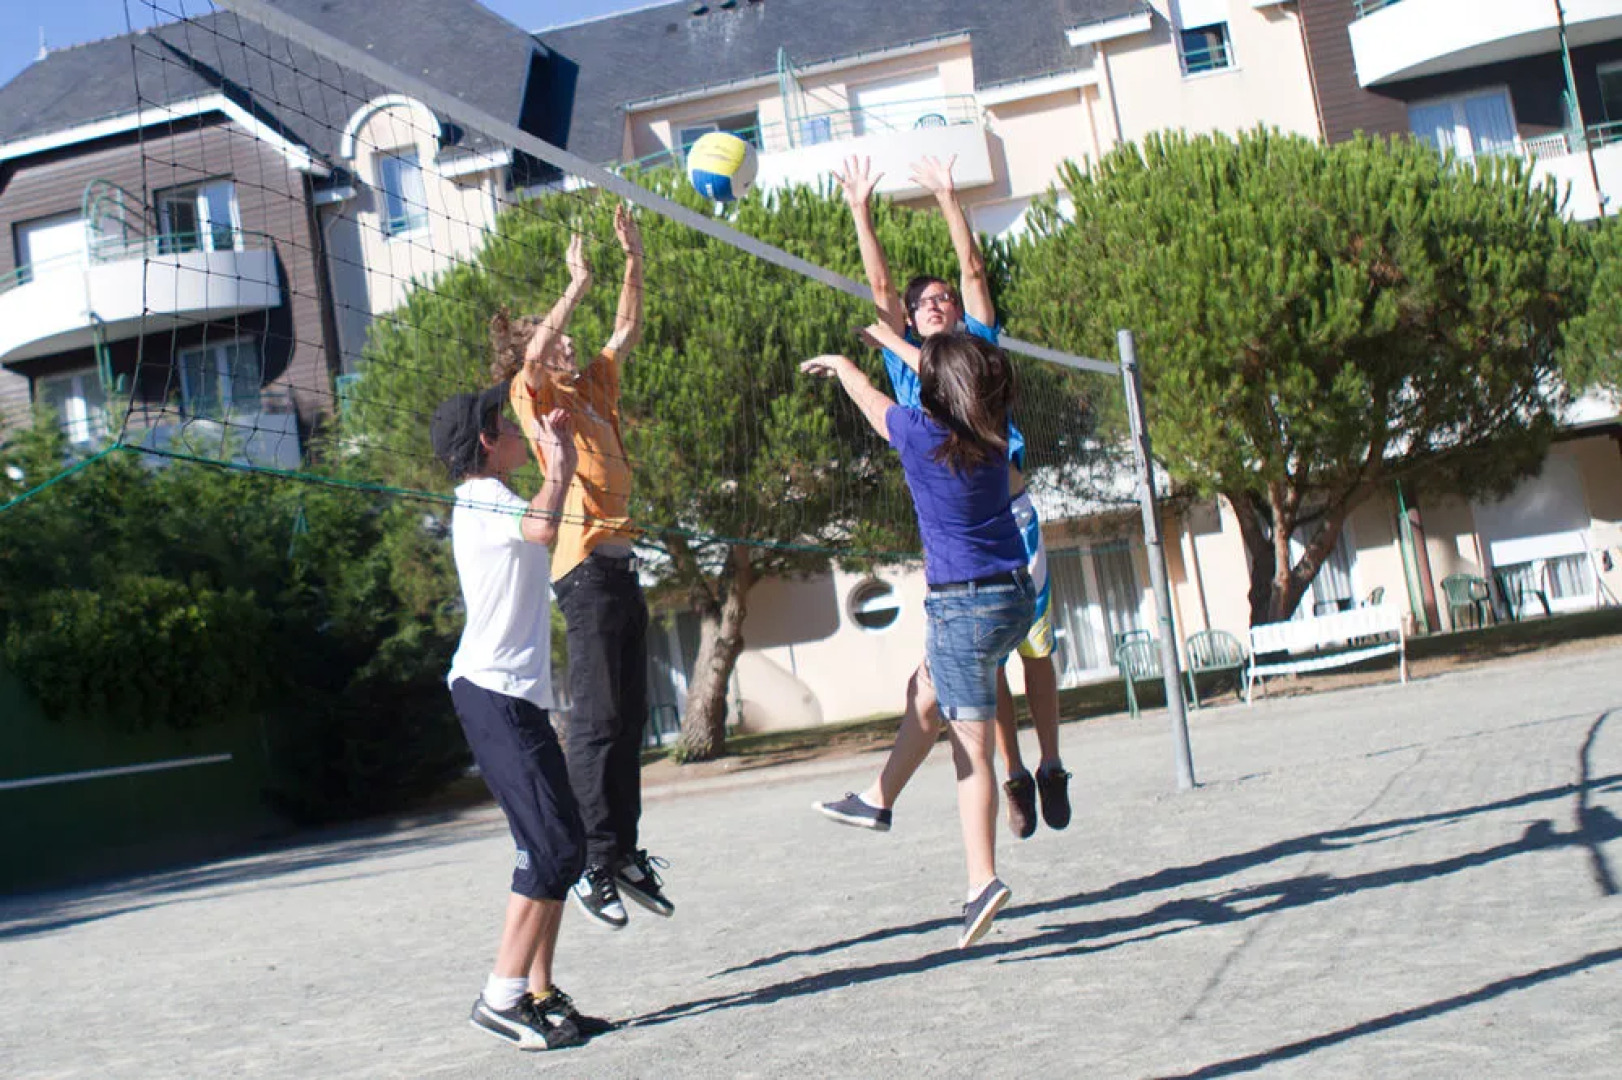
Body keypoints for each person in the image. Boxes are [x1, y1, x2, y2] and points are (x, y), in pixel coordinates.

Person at [829, 153, 1070, 839]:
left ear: (958, 314)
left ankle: (1050, 766)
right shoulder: (906, 371)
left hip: (1014, 519)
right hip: (960, 530)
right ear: (911, 319)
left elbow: (973, 270)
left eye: (944, 300)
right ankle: (1016, 772)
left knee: (1036, 651)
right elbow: (879, 287)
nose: (936, 303)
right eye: (923, 302)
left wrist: (945, 195)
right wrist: (860, 209)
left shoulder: (980, 355)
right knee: (981, 660)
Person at [802, 331, 1036, 949]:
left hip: (965, 606)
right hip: (1013, 596)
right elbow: (966, 373)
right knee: (924, 690)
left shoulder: (916, 432)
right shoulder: (990, 428)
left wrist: (846, 362)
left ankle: (982, 880)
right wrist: (891, 339)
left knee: (970, 752)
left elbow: (869, 398)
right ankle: (878, 798)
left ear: (932, 388)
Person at [493, 204, 672, 931]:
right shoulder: (534, 393)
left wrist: (632, 260)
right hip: (586, 568)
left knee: (629, 720)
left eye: (568, 340)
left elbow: (625, 329)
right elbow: (532, 359)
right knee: (595, 721)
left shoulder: (594, 388)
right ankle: (590, 860)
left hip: (624, 571)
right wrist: (574, 285)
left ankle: (621, 850)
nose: (568, 347)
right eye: (559, 338)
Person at [431, 382, 611, 1051]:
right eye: (505, 424)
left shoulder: (491, 496)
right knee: (554, 848)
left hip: (513, 697)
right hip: (491, 692)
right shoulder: (484, 497)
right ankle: (500, 998)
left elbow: (541, 523)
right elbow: (540, 525)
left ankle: (538, 994)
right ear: (486, 441)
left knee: (556, 841)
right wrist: (558, 464)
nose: (513, 430)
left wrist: (556, 460)